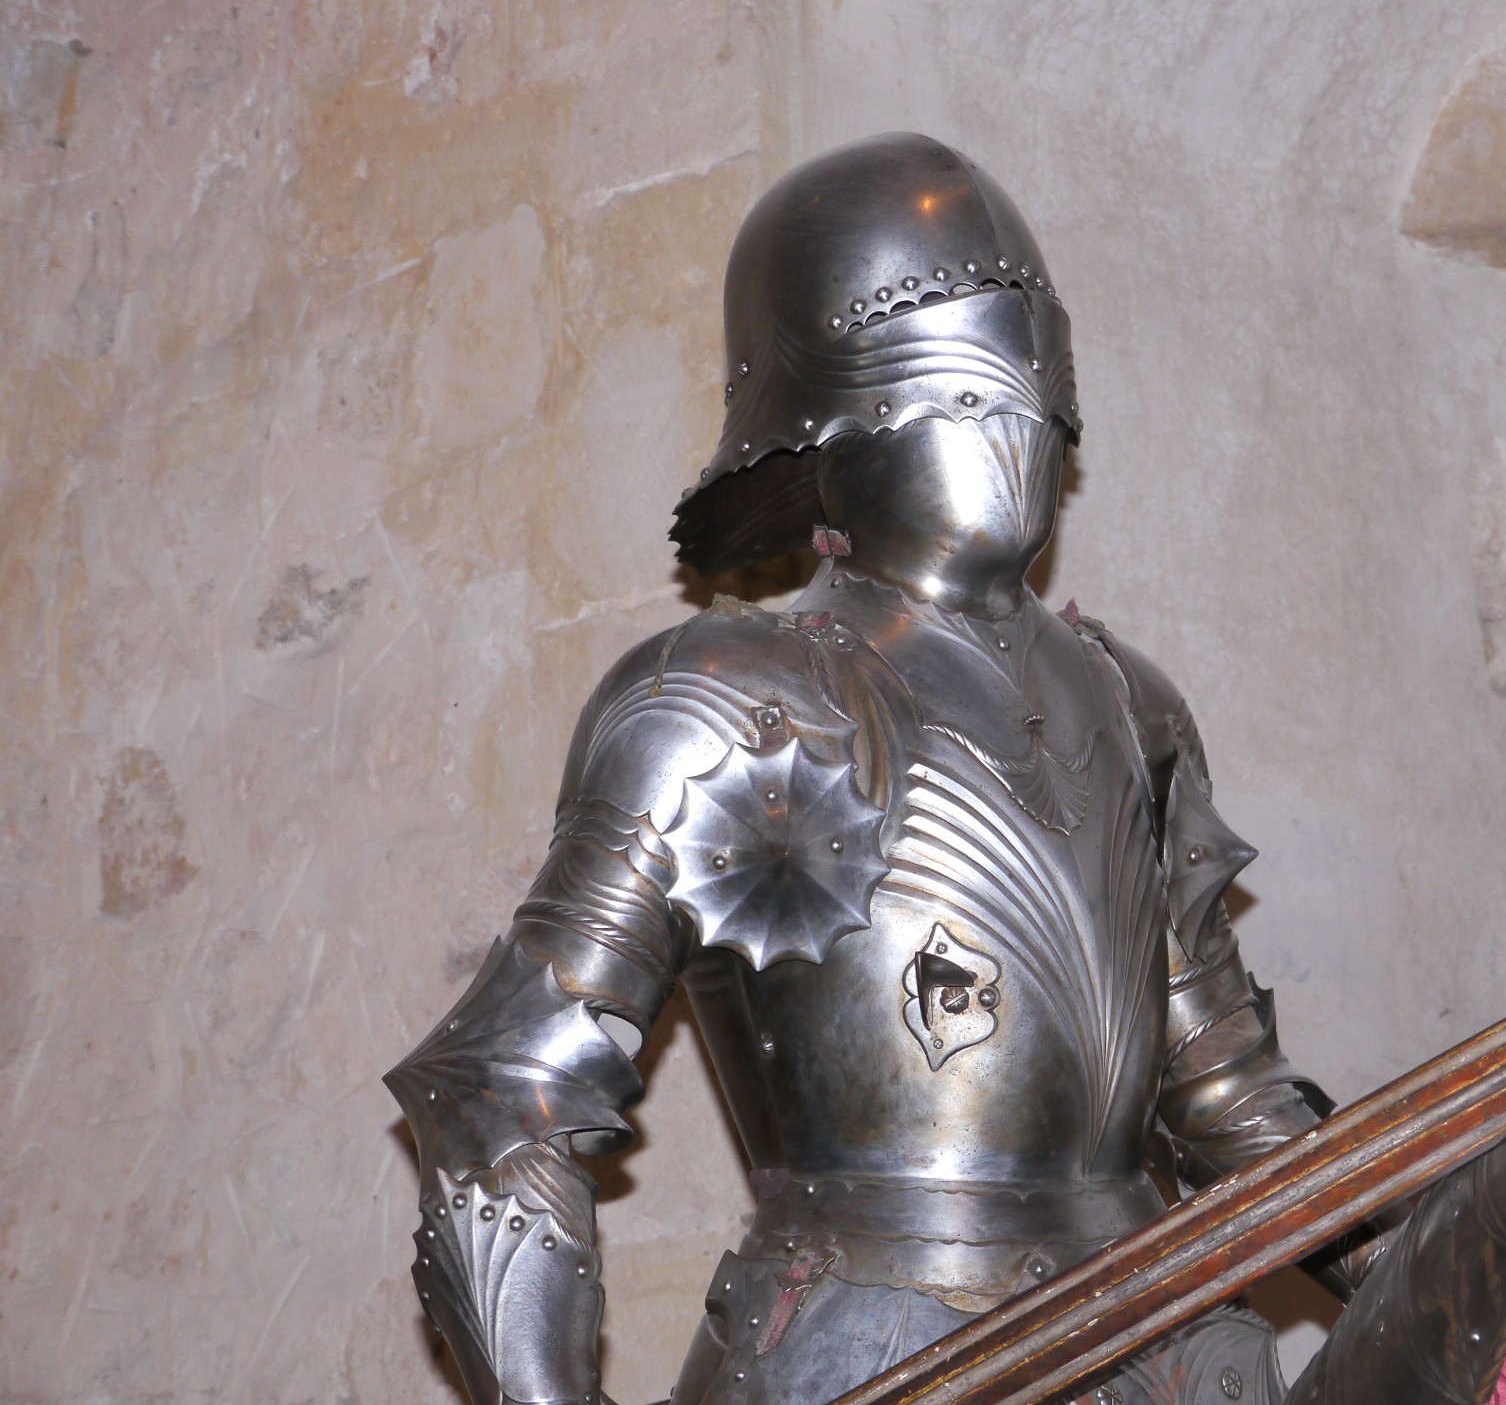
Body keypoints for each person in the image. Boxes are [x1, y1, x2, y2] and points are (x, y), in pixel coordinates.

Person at [386, 134, 1338, 1405]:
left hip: (1160, 1342)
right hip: (864, 1341)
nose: (1007, 425)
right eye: (961, 391)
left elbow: (1220, 1091)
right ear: (822, 410)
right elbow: (507, 1090)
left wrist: (1441, 1252)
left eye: (1025, 389)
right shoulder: (730, 698)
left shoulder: (1132, 703)